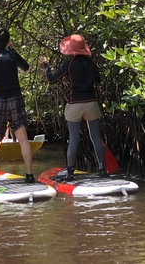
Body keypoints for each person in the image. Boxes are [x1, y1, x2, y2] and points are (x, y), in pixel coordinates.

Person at [40, 34, 108, 180]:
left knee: (74, 138)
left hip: (75, 104)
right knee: (96, 137)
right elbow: (98, 79)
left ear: (71, 50)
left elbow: (52, 80)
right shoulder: (91, 63)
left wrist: (47, 66)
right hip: (91, 103)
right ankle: (102, 170)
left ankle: (70, 173)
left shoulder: (69, 64)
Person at [0, 28, 34, 185]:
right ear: (7, 41)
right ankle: (29, 175)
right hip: (15, 98)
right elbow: (26, 67)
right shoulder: (11, 55)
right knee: (23, 139)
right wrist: (12, 49)